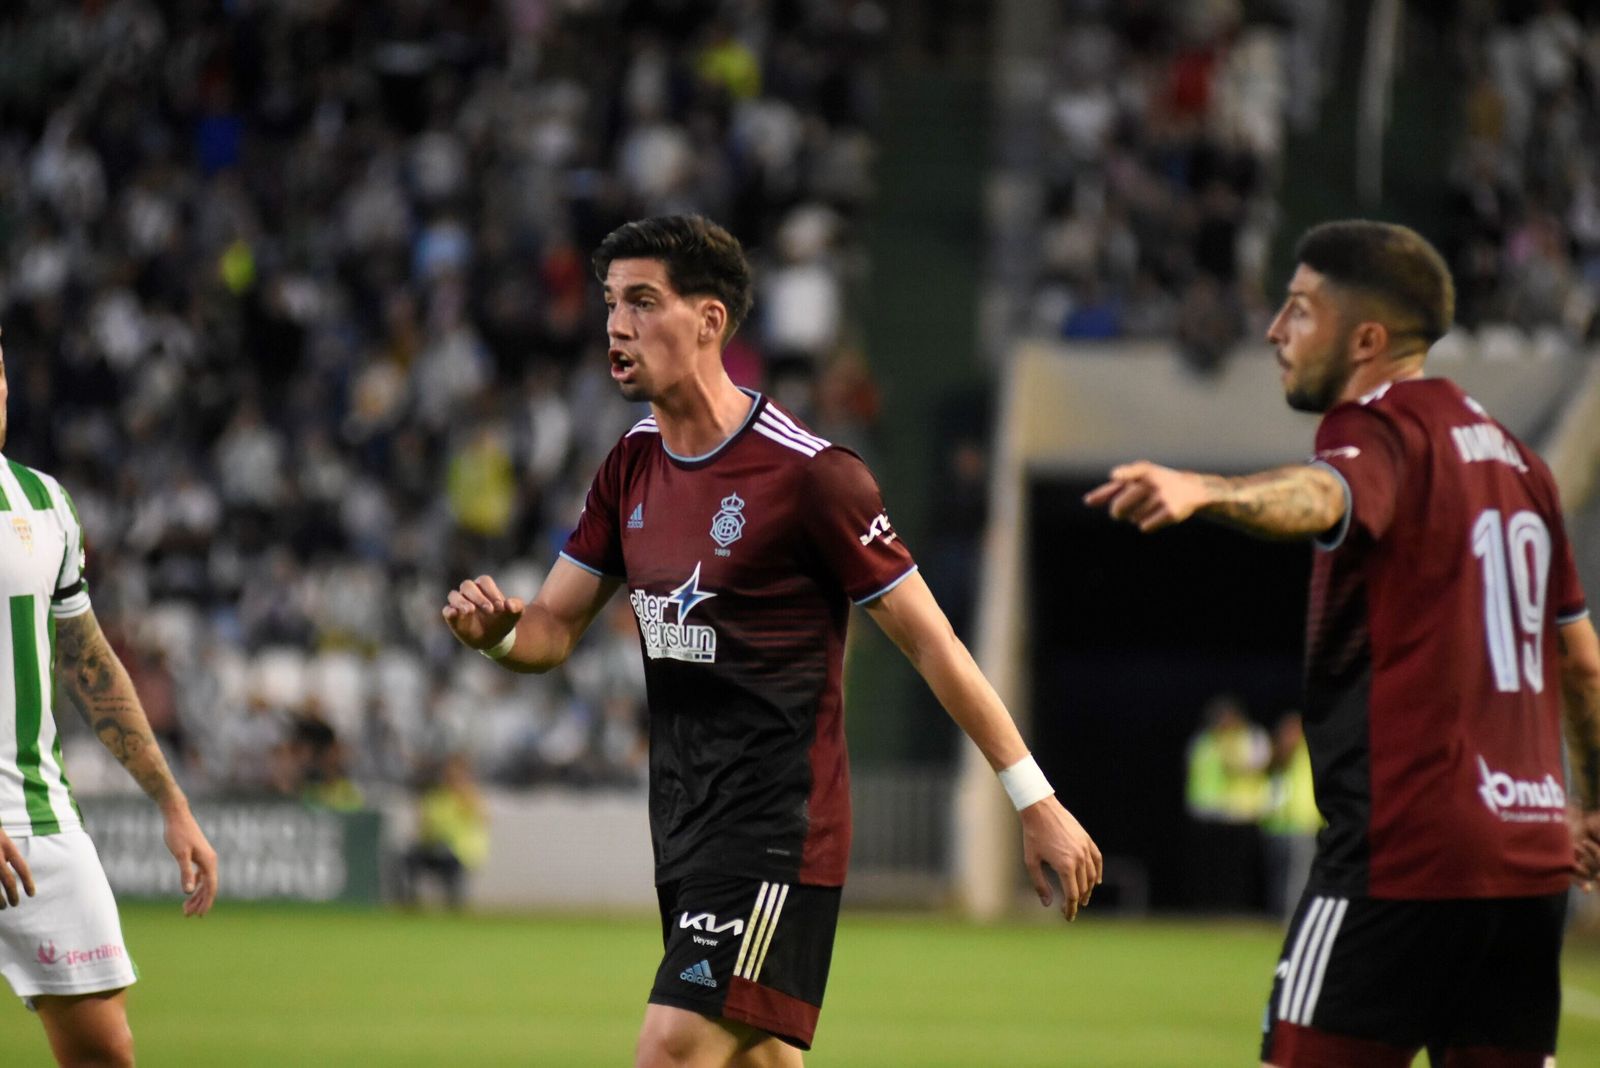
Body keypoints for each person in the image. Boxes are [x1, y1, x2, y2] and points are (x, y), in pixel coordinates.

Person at [443, 215, 1101, 1067]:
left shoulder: (812, 476)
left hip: (777, 828)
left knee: (675, 1047)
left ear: (710, 321)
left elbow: (934, 643)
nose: (616, 323)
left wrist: (1033, 798)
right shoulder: (630, 465)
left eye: (644, 302)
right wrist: (497, 637)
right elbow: (551, 629)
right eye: (611, 303)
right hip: (684, 823)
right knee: (755, 1058)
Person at [1085, 220, 1600, 1068]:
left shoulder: (1378, 427)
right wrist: (1590, 804)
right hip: (1528, 862)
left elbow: (1323, 496)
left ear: (1367, 339)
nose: (1272, 332)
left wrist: (1205, 490)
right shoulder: (1522, 465)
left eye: (1297, 310)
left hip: (1406, 855)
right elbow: (1578, 659)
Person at [0, 330, 219, 1067]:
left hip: (39, 820)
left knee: (106, 1053)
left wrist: (172, 802)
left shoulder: (44, 503)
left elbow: (88, 662)